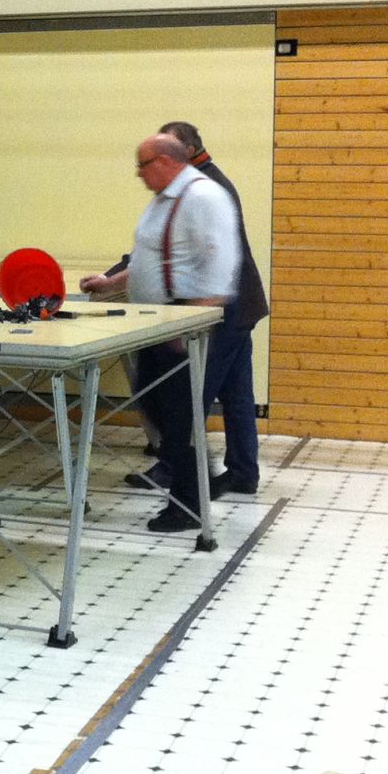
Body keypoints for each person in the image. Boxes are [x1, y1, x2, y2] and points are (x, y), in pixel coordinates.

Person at [79, 134, 240, 533]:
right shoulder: (165, 200)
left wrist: (189, 325)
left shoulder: (204, 197)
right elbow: (151, 260)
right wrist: (110, 284)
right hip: (158, 324)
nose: (138, 174)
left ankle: (188, 505)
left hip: (181, 326)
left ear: (166, 161)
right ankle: (193, 487)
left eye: (143, 165)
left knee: (177, 419)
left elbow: (220, 267)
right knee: (157, 407)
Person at [160, 120, 267, 497]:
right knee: (236, 396)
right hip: (240, 304)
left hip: (225, 308)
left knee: (192, 392)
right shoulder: (207, 181)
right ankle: (243, 472)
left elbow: (192, 251)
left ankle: (173, 469)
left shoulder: (203, 188)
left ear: (188, 151)